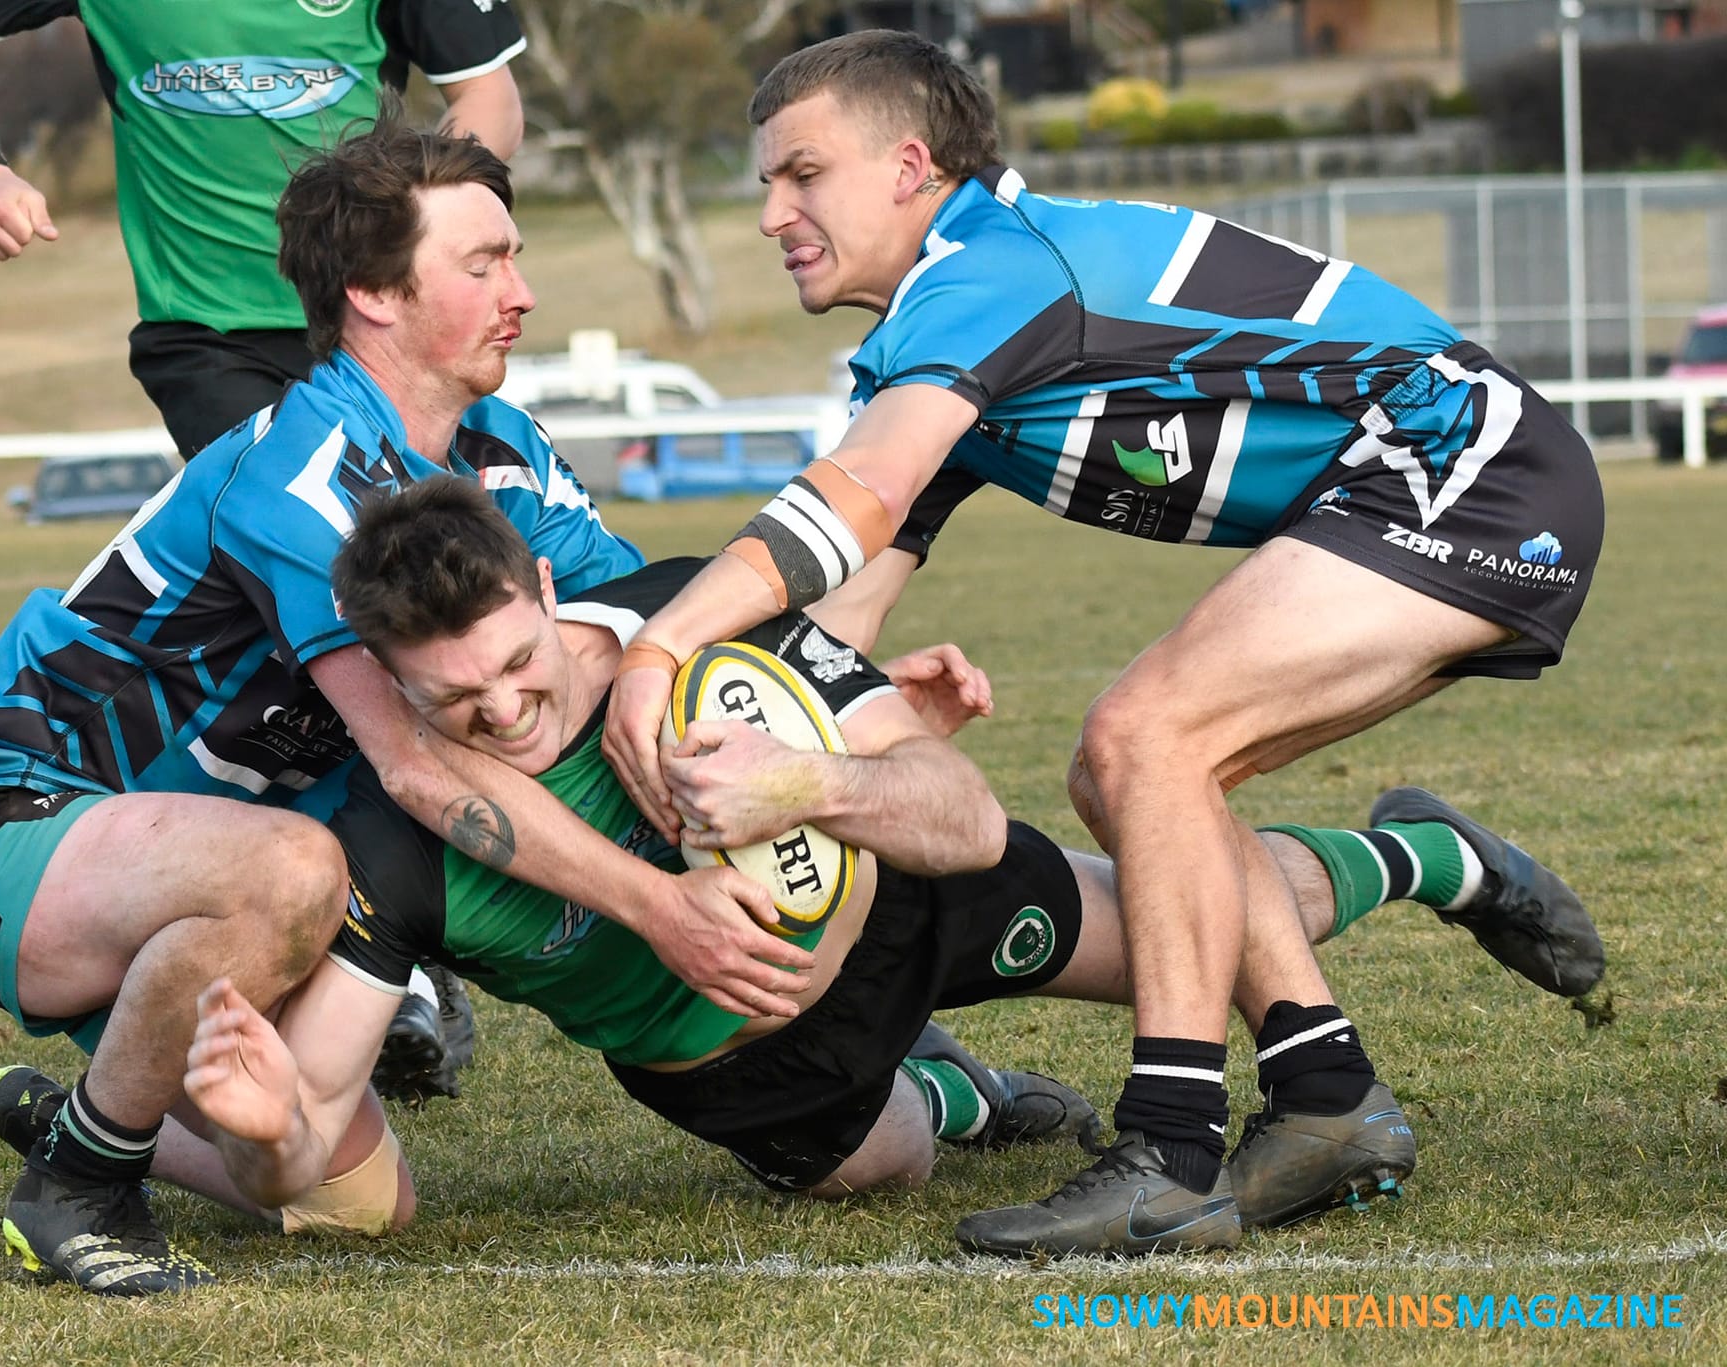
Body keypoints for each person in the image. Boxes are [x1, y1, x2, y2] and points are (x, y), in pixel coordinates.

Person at [598, 30, 1606, 1257]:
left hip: (1466, 474)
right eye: (767, 181)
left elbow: (856, 495)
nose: (771, 213)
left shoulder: (987, 268)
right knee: (1118, 771)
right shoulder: (938, 326)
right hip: (1420, 487)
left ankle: (1169, 1152)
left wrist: (655, 649)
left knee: (1144, 737)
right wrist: (801, 727)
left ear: (908, 167)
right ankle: (1327, 1093)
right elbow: (831, 622)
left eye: (801, 174)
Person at [0, 122, 821, 1298]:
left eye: (513, 257)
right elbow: (417, 768)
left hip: (204, 875)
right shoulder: (304, 476)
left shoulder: (503, 450)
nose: (520, 292)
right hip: (12, 826)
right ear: (373, 295)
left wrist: (831, 695)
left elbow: (640, 630)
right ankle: (75, 1185)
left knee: (356, 1201)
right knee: (296, 868)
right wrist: (658, 907)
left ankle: (84, 1112)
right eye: (482, 264)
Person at [174, 477, 1592, 1246]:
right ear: (388, 684)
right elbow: (315, 1132)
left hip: (908, 889)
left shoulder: (695, 620)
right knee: (887, 1162)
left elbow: (959, 815)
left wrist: (807, 780)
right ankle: (952, 1088)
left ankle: (1426, 853)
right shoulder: (396, 841)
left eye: (516, 664)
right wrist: (263, 1126)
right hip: (745, 1060)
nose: (502, 711)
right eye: (452, 698)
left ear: (546, 590)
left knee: (1194, 930)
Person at [0, 0, 527, 1095]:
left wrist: (443, 235)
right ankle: (366, 929)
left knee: (412, 621)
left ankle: (335, 917)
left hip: (385, 308)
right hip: (213, 333)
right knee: (352, 604)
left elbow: (486, 88)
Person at [0, 0, 524, 460]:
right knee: (311, 526)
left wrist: (418, 210)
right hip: (213, 333)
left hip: (383, 322)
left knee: (444, 544)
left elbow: (488, 94)